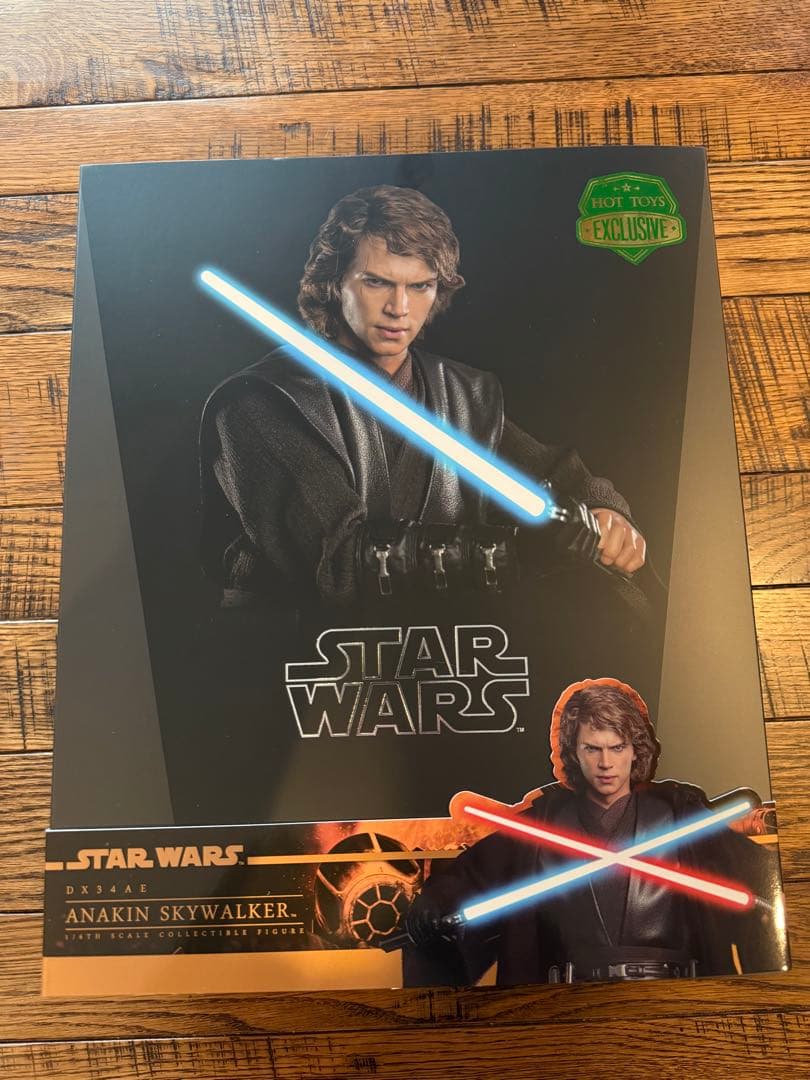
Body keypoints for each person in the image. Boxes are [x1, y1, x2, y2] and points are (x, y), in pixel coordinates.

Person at [199, 185, 646, 610]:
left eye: (420, 287)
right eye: (377, 283)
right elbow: (339, 565)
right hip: (304, 654)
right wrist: (516, 551)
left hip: (451, 648)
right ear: (334, 283)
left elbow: (561, 476)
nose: (399, 308)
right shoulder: (261, 402)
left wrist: (606, 514)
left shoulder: (463, 395)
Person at [401, 678, 785, 985]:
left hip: (672, 999)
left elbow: (757, 874)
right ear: (574, 751)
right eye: (592, 749)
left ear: (635, 750)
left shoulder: (680, 817)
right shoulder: (542, 827)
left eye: (617, 748)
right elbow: (472, 876)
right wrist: (436, 901)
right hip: (568, 1006)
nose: (606, 763)